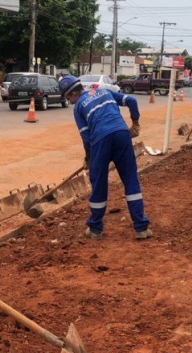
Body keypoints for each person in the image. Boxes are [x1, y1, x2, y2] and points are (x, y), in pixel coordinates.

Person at [58, 75, 152, 240]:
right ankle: (141, 228)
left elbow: (86, 138)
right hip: (122, 135)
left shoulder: (79, 106)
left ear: (72, 94)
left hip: (100, 141)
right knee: (130, 179)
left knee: (99, 182)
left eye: (68, 98)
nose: (69, 102)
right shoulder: (104, 91)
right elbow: (131, 101)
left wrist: (89, 158)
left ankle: (95, 229)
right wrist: (135, 124)